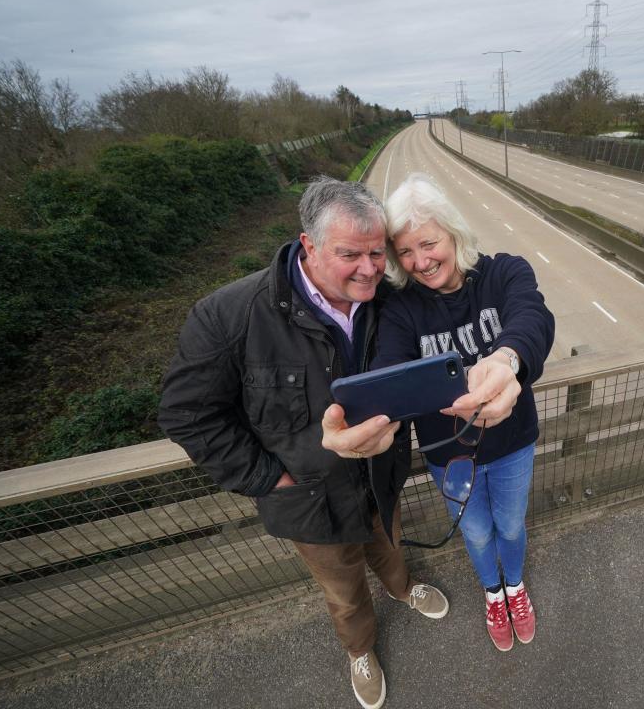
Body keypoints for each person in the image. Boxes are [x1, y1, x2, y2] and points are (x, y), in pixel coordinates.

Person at [158, 178, 447, 709]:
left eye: (377, 254)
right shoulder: (229, 316)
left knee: (390, 546)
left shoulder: (389, 304)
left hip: (381, 481)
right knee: (343, 590)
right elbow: (187, 414)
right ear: (309, 246)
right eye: (349, 255)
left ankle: (403, 588)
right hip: (310, 500)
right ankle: (360, 649)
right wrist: (271, 478)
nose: (368, 269)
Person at [375, 172, 555, 651]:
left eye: (429, 243)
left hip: (513, 441)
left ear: (453, 232)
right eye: (405, 252)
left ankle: (515, 586)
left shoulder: (503, 273)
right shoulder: (399, 310)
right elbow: (390, 367)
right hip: (448, 455)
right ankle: (492, 592)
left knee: (511, 524)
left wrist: (505, 358)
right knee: (476, 532)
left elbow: (531, 316)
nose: (420, 262)